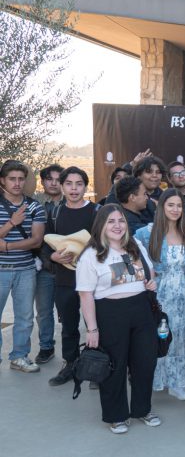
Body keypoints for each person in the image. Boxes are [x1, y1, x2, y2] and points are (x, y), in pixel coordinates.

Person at [77, 204, 161, 434]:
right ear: (101, 225)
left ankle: (142, 409)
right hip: (110, 313)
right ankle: (117, 416)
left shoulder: (137, 246)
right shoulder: (91, 255)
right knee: (114, 367)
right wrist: (92, 330)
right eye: (111, 221)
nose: (117, 225)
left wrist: (150, 282)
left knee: (145, 364)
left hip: (142, 309)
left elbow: (150, 272)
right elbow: (85, 294)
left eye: (121, 220)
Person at [135, 189, 185, 400]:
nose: (175, 209)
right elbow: (136, 264)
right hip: (162, 296)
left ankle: (178, 382)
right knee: (165, 337)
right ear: (161, 207)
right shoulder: (145, 234)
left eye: (179, 205)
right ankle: (163, 379)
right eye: (170, 205)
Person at [45, 167, 100, 386]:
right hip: (65, 280)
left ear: (86, 186)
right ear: (62, 186)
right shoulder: (55, 213)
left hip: (94, 281)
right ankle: (70, 364)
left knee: (96, 323)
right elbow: (43, 243)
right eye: (69, 184)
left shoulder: (97, 212)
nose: (74, 189)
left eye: (79, 184)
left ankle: (98, 364)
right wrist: (53, 257)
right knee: (68, 325)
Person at [0, 160, 45, 373]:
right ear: (3, 181)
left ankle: (19, 356)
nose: (17, 183)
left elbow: (36, 240)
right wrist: (11, 223)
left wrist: (6, 245)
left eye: (20, 179)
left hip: (26, 270)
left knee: (25, 317)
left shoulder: (35, 206)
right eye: (12, 179)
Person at [33, 163, 64, 365]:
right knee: (44, 311)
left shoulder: (71, 202)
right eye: (49, 179)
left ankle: (75, 353)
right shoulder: (33, 203)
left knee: (70, 311)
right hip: (43, 266)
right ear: (43, 181)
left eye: (57, 179)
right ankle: (46, 346)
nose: (53, 183)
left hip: (69, 266)